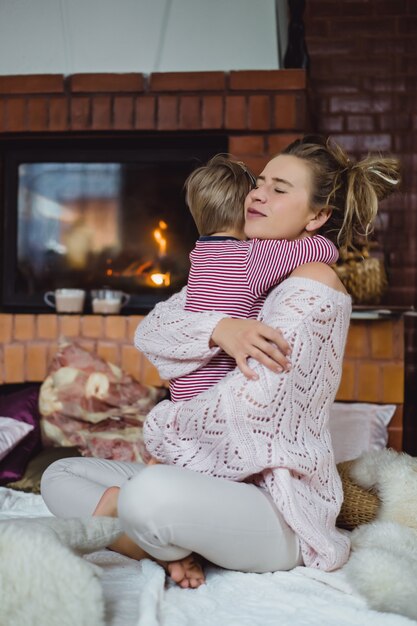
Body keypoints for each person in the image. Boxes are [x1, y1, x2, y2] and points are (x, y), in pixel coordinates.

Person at [41, 136, 400, 590]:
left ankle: (143, 528)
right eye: (260, 181)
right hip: (205, 480)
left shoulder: (313, 284)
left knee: (148, 493)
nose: (258, 194)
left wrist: (163, 431)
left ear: (317, 216)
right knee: (62, 474)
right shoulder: (233, 265)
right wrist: (219, 329)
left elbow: (252, 409)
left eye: (280, 188)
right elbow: (153, 330)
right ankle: (156, 538)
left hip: (273, 506)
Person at [171, 154, 339, 402]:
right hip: (214, 389)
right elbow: (326, 250)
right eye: (257, 187)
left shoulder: (200, 253)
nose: (259, 196)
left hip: (182, 387)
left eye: (278, 189)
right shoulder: (252, 256)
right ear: (243, 211)